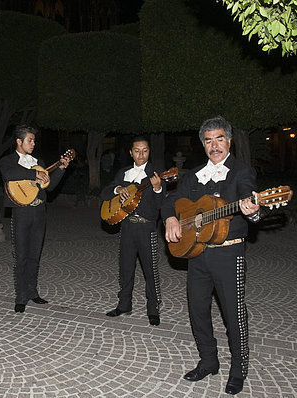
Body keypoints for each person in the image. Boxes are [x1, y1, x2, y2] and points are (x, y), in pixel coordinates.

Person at [162, 116, 260, 395]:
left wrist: (253, 209)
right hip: (197, 254)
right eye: (208, 140)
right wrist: (170, 218)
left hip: (229, 253)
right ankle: (208, 360)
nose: (214, 145)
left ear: (229, 141)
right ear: (203, 144)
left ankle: (238, 369)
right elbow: (172, 200)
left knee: (233, 312)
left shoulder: (242, 171)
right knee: (197, 309)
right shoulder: (194, 175)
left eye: (219, 139)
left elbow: (249, 198)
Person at [0, 125, 69, 313]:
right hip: (21, 212)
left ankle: (32, 292)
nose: (33, 143)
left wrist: (61, 169)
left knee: (34, 255)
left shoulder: (39, 161)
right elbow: (9, 175)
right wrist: (33, 174)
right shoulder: (8, 161)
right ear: (18, 141)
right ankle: (20, 296)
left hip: (39, 212)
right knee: (21, 256)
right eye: (29, 140)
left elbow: (50, 186)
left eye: (34, 140)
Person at [102, 136, 165, 326]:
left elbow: (161, 206)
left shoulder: (155, 174)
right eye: (137, 150)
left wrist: (158, 189)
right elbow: (106, 193)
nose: (141, 154)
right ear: (131, 153)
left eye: (145, 150)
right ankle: (124, 305)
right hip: (127, 226)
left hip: (147, 227)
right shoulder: (123, 173)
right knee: (125, 268)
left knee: (150, 270)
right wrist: (118, 188)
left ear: (149, 152)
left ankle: (153, 309)